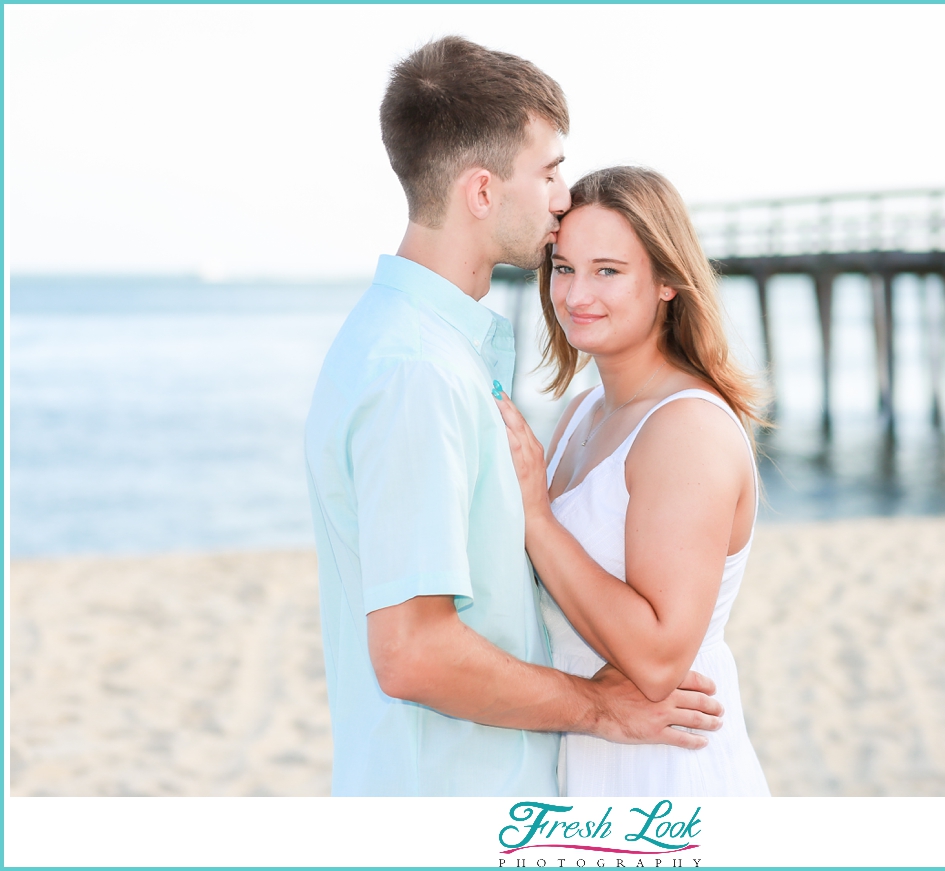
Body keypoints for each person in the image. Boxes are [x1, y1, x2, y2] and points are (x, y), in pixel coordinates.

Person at [304, 38, 723, 797]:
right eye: (551, 170)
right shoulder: (418, 373)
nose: (564, 196)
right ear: (482, 192)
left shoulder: (431, 352)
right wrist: (597, 707)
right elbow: (413, 652)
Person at [495, 166, 772, 796]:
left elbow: (656, 659)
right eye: (562, 268)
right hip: (591, 755)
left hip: (665, 769)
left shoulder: (686, 431)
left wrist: (535, 517)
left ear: (668, 280)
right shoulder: (584, 411)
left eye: (608, 271)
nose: (575, 294)